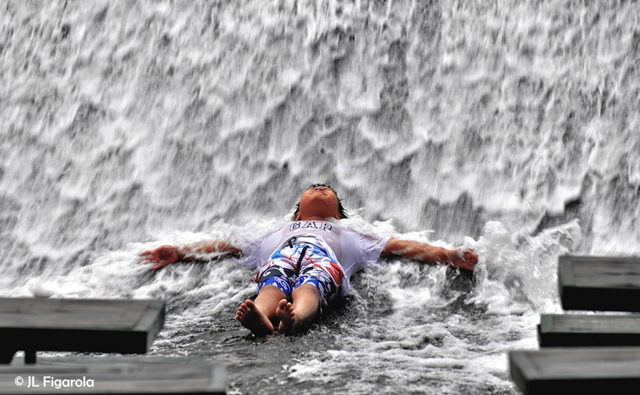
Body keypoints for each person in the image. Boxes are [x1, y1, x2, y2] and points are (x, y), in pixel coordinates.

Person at [140, 184, 478, 335]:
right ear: (298, 212)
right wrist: (179, 252)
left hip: (323, 259)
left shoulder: (353, 233)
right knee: (272, 279)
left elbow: (400, 245)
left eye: (327, 190)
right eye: (314, 187)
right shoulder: (273, 231)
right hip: (282, 255)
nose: (320, 187)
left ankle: (295, 319)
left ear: (338, 214)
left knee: (313, 284)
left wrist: (447, 255)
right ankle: (264, 314)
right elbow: (226, 245)